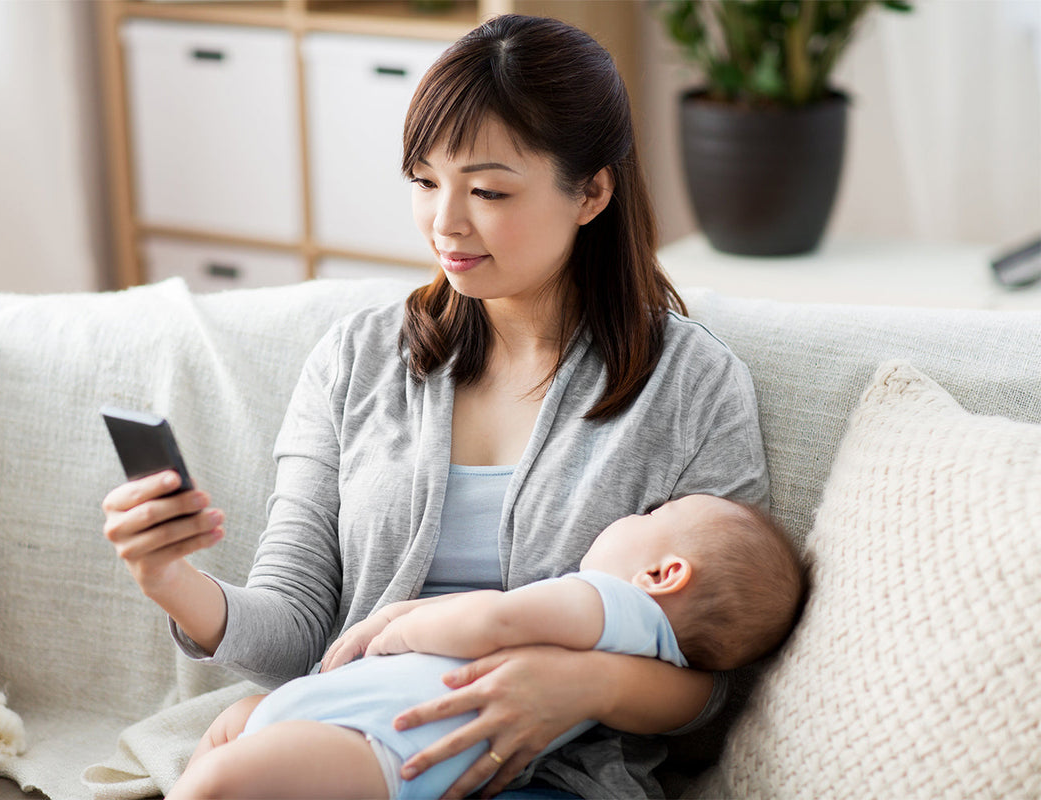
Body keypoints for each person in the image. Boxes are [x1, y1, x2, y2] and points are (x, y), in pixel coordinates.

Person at [101, 13, 769, 799]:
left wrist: (581, 686)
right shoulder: (355, 363)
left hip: (559, 777)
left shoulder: (691, 386)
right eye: (424, 181)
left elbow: (717, 681)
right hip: (362, 742)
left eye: (488, 190)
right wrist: (171, 579)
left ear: (591, 191)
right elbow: (298, 630)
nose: (445, 223)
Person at [167, 494, 805, 800]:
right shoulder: (635, 642)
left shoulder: (611, 602)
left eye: (648, 516)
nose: (631, 516)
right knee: (236, 729)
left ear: (663, 574)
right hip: (362, 723)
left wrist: (401, 627)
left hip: (384, 745)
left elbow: (493, 621)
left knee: (222, 775)